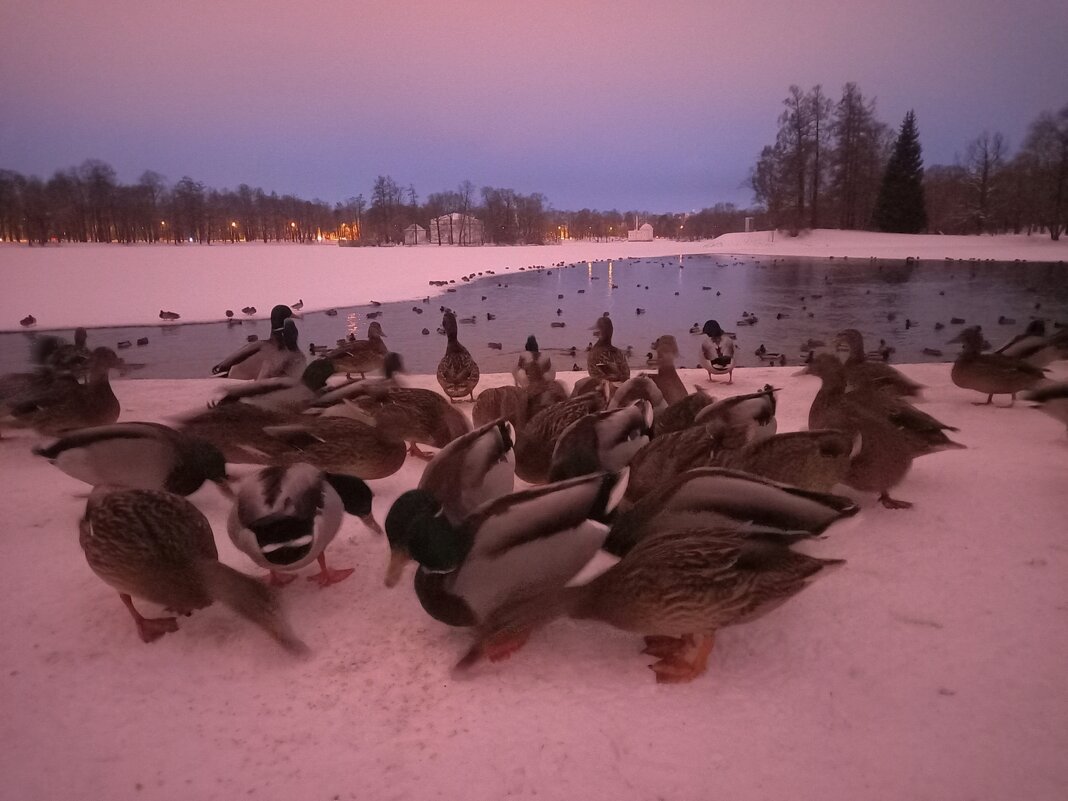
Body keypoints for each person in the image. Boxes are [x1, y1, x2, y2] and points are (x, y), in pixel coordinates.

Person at [699, 319, 735, 383]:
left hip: (711, 366)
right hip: (729, 364)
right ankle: (730, 379)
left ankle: (710, 377)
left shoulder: (705, 341)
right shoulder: (728, 339)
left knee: (705, 349)